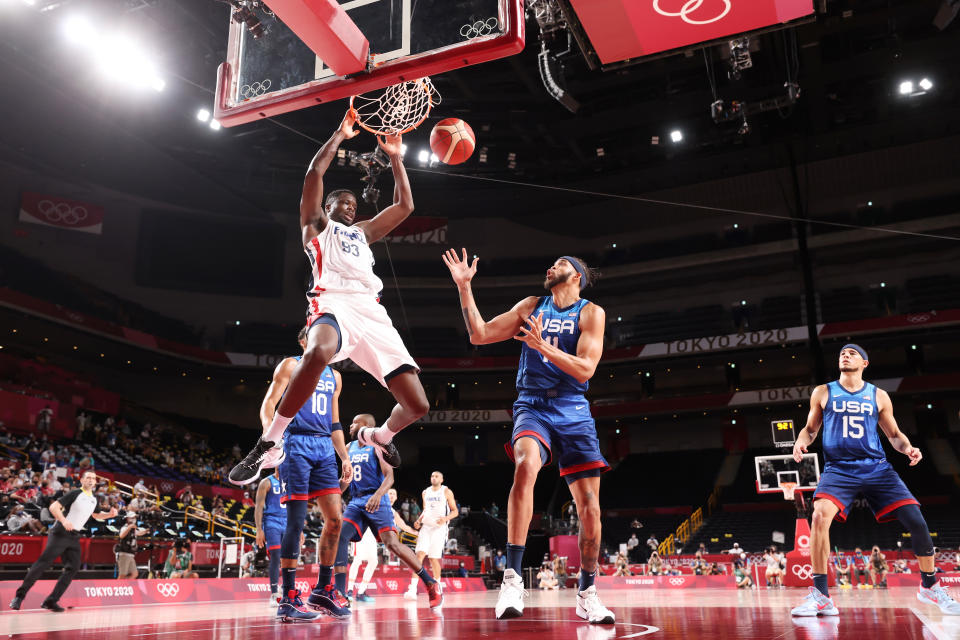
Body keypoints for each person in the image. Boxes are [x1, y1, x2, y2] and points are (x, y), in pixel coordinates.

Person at [229, 110, 428, 485]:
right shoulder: (317, 227)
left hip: (371, 312)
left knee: (418, 405)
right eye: (343, 202)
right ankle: (270, 443)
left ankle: (378, 436)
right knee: (318, 352)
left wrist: (398, 158)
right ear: (328, 207)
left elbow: (405, 207)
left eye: (354, 203)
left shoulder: (364, 233)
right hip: (332, 302)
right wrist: (340, 134)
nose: (351, 206)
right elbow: (313, 175)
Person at [443, 250, 613, 624]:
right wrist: (464, 288)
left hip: (573, 409)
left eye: (561, 264)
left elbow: (585, 370)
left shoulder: (590, 313)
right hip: (532, 405)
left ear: (576, 277)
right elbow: (480, 334)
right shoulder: (532, 305)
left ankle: (587, 593)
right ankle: (513, 578)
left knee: (590, 509)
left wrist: (543, 348)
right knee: (525, 464)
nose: (552, 267)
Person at [790, 344, 960, 616]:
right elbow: (810, 430)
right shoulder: (823, 391)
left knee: (916, 519)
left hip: (877, 468)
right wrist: (800, 442)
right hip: (838, 469)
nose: (845, 355)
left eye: (852, 353)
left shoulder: (878, 395)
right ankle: (821, 596)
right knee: (819, 516)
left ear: (865, 363)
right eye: (842, 353)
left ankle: (930, 587)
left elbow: (894, 435)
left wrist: (908, 448)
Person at [258, 328, 351, 622]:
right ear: (304, 342)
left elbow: (335, 422)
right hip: (295, 442)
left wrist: (344, 457)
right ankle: (287, 597)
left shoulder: (335, 377)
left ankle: (323, 589)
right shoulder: (289, 365)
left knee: (336, 520)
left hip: (324, 446)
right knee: (296, 521)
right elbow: (269, 405)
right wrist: (270, 436)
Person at [336, 415, 442, 609]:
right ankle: (340, 592)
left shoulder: (376, 445)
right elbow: (346, 480)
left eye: (355, 422)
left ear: (367, 426)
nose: (350, 425)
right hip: (357, 500)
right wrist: (332, 492)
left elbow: (390, 477)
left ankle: (429, 582)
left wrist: (377, 495)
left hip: (378, 499)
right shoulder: (348, 448)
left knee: (392, 544)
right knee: (340, 537)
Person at [9, 470, 118, 612]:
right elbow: (53, 507)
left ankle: (51, 600)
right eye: (88, 478)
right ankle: (19, 597)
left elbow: (95, 515)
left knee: (73, 567)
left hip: (74, 536)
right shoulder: (75, 493)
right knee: (43, 564)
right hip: (60, 532)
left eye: (93, 478)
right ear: (82, 481)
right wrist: (64, 520)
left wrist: (109, 514)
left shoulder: (94, 499)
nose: (91, 480)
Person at [405, 470, 458, 599]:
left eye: (436, 476)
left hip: (439, 528)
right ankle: (412, 589)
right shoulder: (425, 492)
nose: (433, 478)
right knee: (419, 555)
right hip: (426, 527)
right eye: (432, 476)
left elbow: (455, 511)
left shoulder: (446, 491)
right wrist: (418, 520)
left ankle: (437, 585)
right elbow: (425, 510)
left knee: (434, 558)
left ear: (442, 479)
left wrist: (445, 519)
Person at [255, 468, 287, 606]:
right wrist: (258, 530)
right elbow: (258, 507)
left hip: (288, 522)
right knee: (275, 555)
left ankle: (287, 591)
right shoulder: (266, 482)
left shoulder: (290, 482)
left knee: (289, 557)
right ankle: (274, 593)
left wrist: (299, 529)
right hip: (271, 521)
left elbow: (294, 506)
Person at [116, 512, 148, 579]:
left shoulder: (133, 529)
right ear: (128, 519)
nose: (134, 519)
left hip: (131, 554)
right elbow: (121, 536)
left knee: (134, 574)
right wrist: (129, 527)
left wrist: (146, 531)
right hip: (124, 554)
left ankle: (124, 585)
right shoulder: (124, 527)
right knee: (122, 575)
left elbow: (139, 533)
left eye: (135, 518)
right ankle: (117, 587)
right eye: (132, 517)